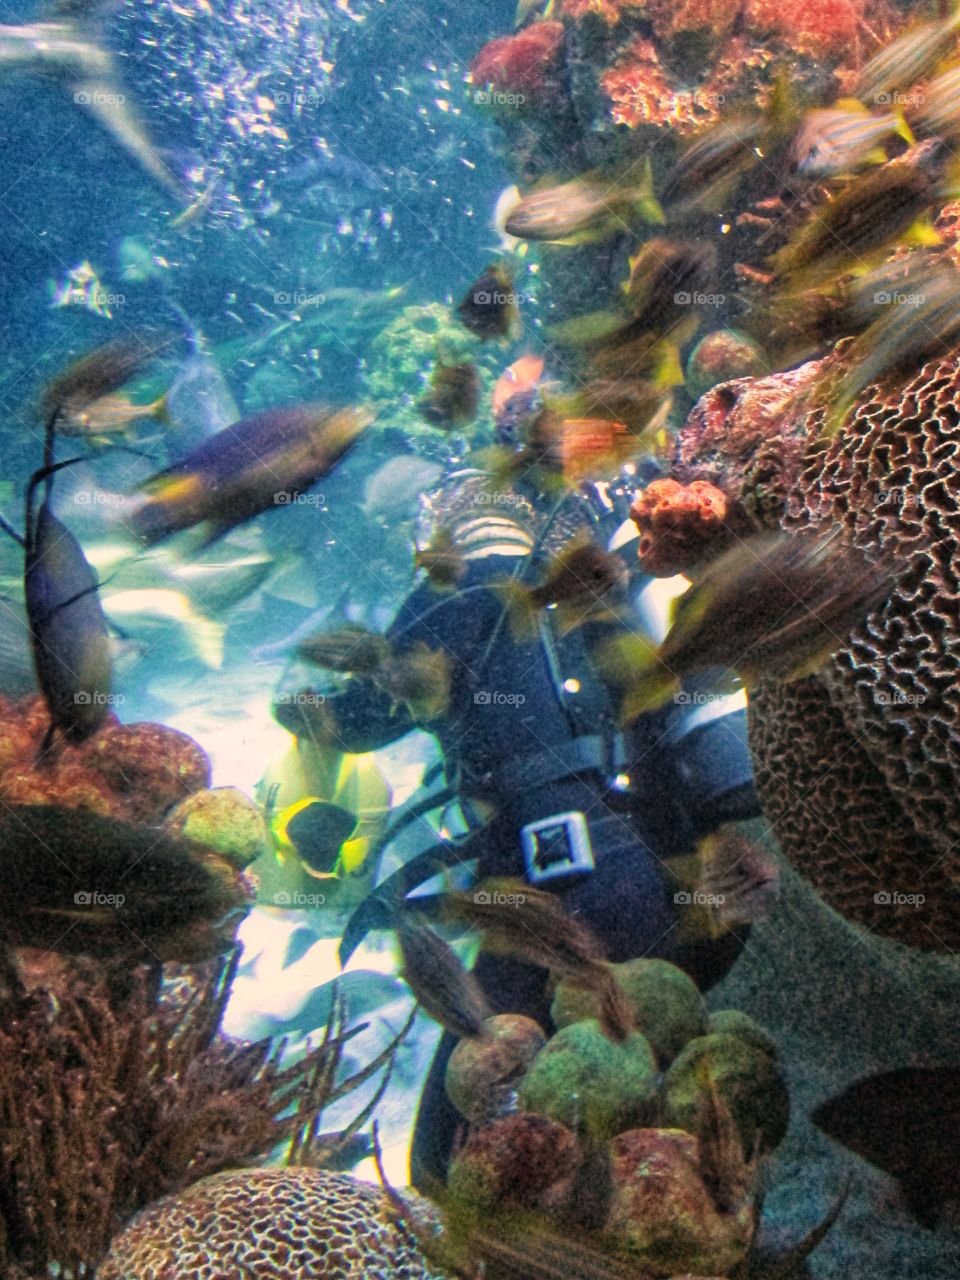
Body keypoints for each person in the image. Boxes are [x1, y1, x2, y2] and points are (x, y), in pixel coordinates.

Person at [274, 452, 760, 1189]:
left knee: (448, 1166)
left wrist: (302, 685)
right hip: (683, 906)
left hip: (546, 908)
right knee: (662, 1104)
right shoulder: (604, 582)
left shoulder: (437, 604)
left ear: (441, 528)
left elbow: (340, 725)